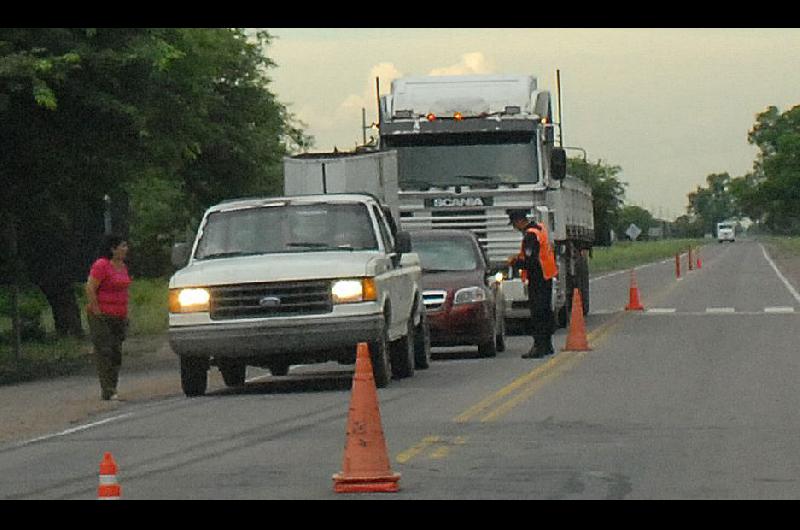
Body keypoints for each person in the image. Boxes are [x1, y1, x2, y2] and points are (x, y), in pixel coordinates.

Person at [85, 234, 131, 401]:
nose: (126, 249)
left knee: (116, 352)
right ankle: (108, 389)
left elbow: (124, 290)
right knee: (104, 351)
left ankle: (113, 385)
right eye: (122, 246)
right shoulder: (101, 265)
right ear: (113, 248)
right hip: (102, 315)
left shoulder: (122, 267)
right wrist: (96, 310)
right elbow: (90, 287)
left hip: (119, 315)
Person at [507, 209, 558, 358]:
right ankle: (547, 346)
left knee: (538, 313)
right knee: (546, 311)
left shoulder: (530, 235)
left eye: (514, 224)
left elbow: (530, 261)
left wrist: (515, 263)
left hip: (538, 277)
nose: (515, 228)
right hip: (547, 275)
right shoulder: (540, 229)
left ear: (519, 221)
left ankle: (539, 347)